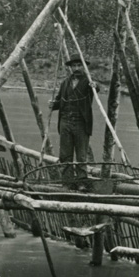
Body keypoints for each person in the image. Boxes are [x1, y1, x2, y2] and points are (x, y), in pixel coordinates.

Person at [49, 54, 95, 182]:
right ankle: (67, 181)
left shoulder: (89, 82)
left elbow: (96, 89)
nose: (76, 68)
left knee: (81, 155)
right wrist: (53, 105)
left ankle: (82, 182)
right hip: (65, 122)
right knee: (65, 154)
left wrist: (94, 87)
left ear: (83, 67)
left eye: (79, 65)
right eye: (74, 66)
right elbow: (60, 101)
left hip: (81, 123)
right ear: (70, 67)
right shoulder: (65, 83)